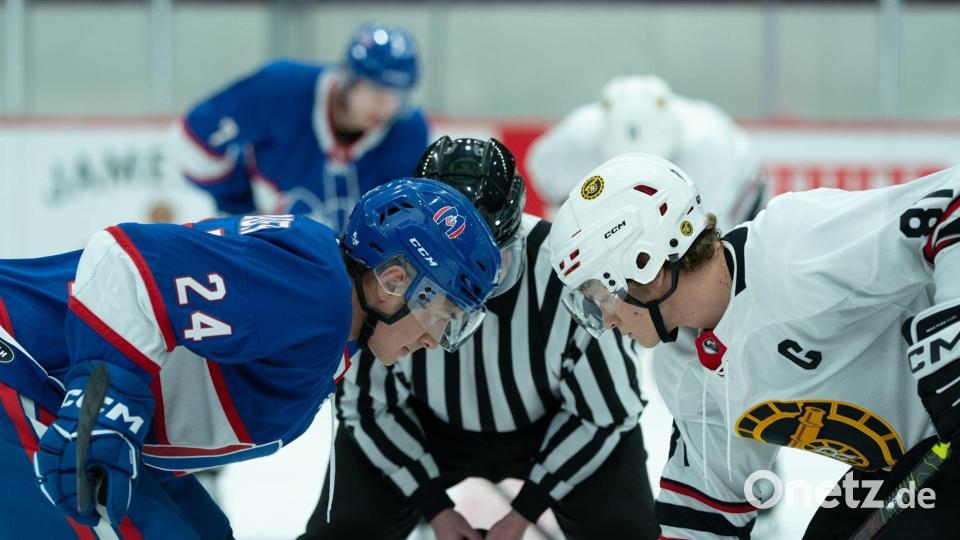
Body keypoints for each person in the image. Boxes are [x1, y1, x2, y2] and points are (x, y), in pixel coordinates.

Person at [0, 177, 500, 538]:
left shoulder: (329, 326)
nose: (436, 339)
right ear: (394, 282)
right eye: (441, 313)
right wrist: (102, 410)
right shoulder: (314, 290)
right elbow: (126, 262)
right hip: (23, 368)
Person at [547, 152, 960, 538]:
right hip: (912, 461)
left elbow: (951, 206)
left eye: (600, 294)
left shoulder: (794, 249)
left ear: (647, 266)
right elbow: (706, 513)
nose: (606, 317)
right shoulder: (683, 366)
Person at [300, 137, 658, 540]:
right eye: (452, 269)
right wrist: (436, 508)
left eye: (491, 261)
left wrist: (523, 512)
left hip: (553, 427)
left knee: (626, 530)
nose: (474, 288)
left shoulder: (566, 267)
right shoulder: (388, 273)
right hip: (426, 427)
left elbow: (608, 409)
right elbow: (368, 404)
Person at [170, 22, 429, 232]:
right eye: (375, 89)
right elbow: (195, 141)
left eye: (398, 95)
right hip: (264, 253)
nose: (386, 105)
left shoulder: (409, 132)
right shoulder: (281, 89)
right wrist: (240, 206)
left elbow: (403, 222)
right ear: (349, 78)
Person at [526, 75, 764, 231]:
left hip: (744, 196)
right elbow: (546, 181)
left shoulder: (711, 147)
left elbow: (710, 235)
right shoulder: (575, 139)